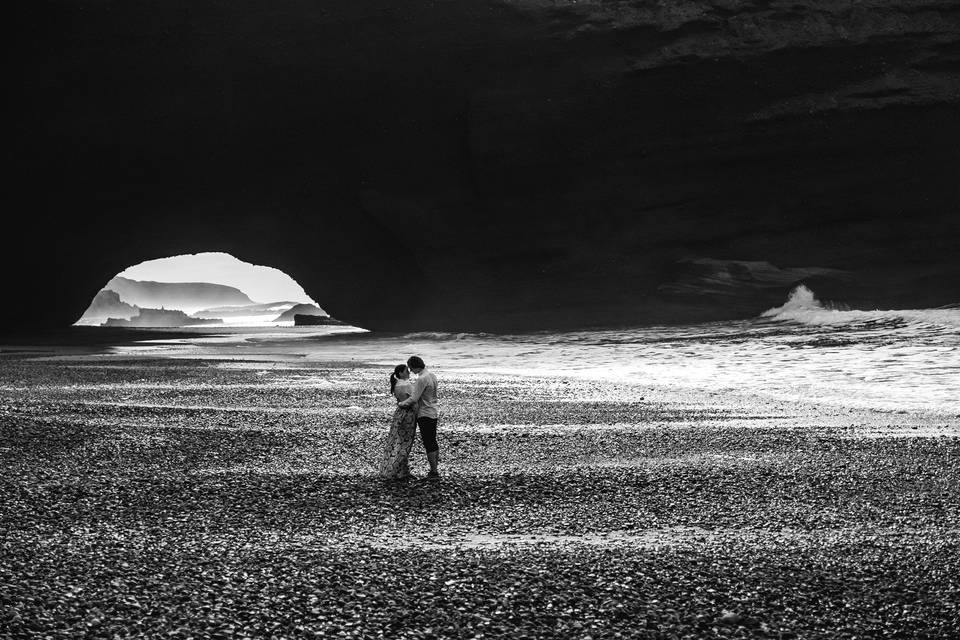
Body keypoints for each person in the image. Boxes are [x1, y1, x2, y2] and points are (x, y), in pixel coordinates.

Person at [398, 355, 440, 479]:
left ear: (415, 367)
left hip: (424, 413)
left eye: (410, 368)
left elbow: (414, 398)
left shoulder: (422, 378)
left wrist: (401, 404)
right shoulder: (432, 376)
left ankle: (433, 471)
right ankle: (435, 469)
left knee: (428, 442)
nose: (410, 371)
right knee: (433, 440)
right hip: (433, 411)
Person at [379, 364, 418, 480]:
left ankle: (397, 469)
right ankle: (399, 470)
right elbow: (413, 402)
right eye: (406, 371)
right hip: (408, 414)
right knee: (405, 442)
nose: (409, 372)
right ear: (401, 373)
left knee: (398, 441)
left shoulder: (396, 384)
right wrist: (418, 415)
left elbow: (400, 400)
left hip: (399, 413)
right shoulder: (407, 385)